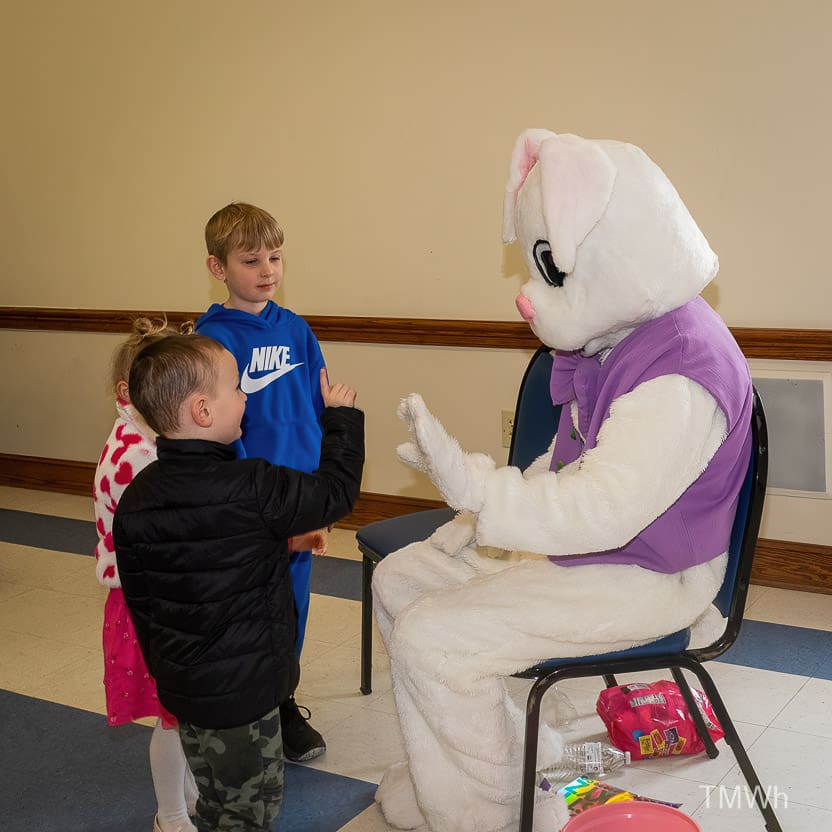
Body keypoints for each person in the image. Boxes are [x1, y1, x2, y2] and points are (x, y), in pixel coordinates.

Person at [112, 333, 364, 832]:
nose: (245, 395)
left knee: (216, 799)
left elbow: (143, 601)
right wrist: (340, 419)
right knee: (250, 811)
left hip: (188, 693)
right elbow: (334, 493)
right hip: (245, 698)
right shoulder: (252, 486)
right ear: (203, 410)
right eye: (236, 386)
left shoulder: (137, 499)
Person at [196, 201, 331, 761]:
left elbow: (317, 407)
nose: (267, 270)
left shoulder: (296, 329)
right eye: (250, 260)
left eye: (274, 257)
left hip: (299, 495)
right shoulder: (212, 339)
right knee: (254, 607)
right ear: (218, 267)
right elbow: (209, 428)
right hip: (248, 503)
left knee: (293, 603)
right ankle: (255, 704)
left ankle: (283, 698)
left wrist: (322, 487)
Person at [93, 317, 199, 832]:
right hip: (150, 604)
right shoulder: (140, 457)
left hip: (151, 597)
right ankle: (170, 815)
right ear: (127, 393)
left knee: (179, 712)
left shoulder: (139, 441)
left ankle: (189, 793)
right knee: (173, 718)